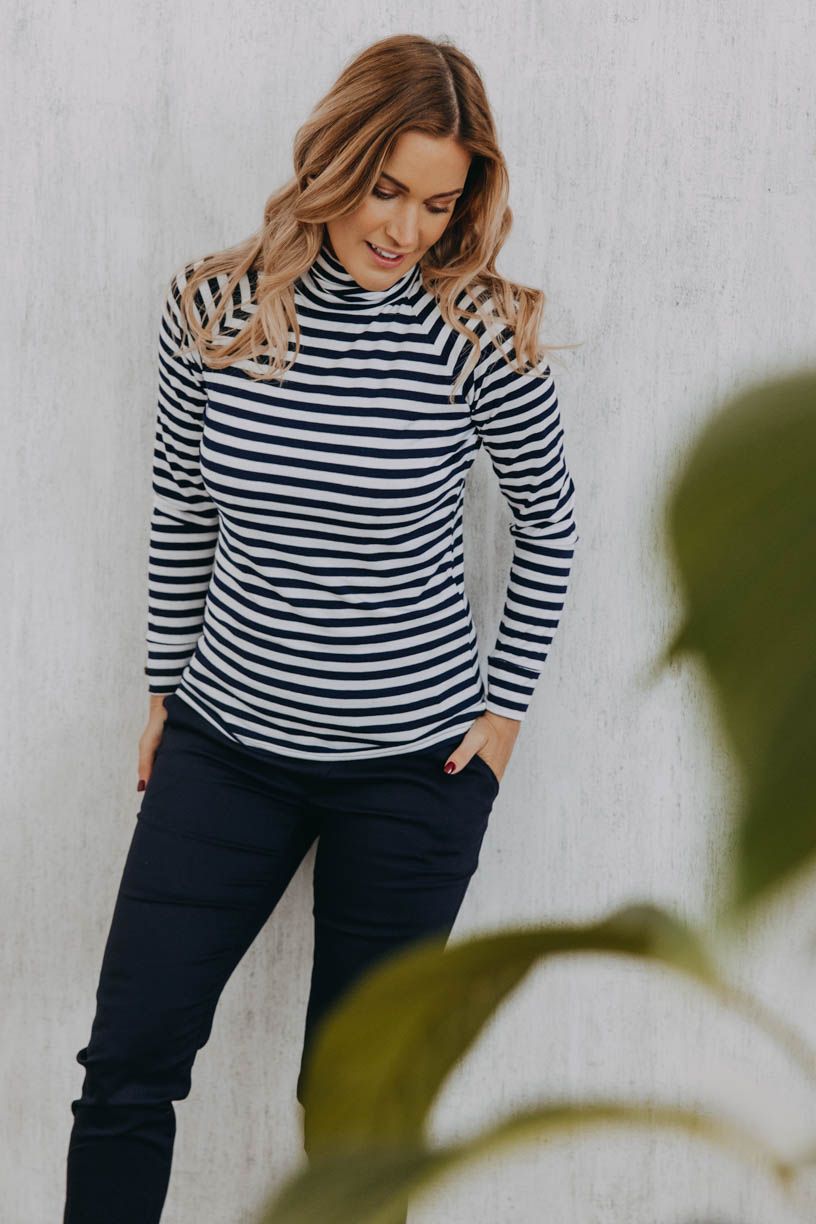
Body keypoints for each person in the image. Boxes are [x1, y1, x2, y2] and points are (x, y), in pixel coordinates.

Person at [62, 31, 579, 1224]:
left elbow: (549, 521)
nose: (405, 230)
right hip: (225, 749)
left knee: (352, 1120)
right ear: (334, 162)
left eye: (439, 204)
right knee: (127, 1069)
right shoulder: (213, 303)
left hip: (414, 773)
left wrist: (502, 718)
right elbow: (184, 508)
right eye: (386, 190)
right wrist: (163, 688)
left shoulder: (478, 328)